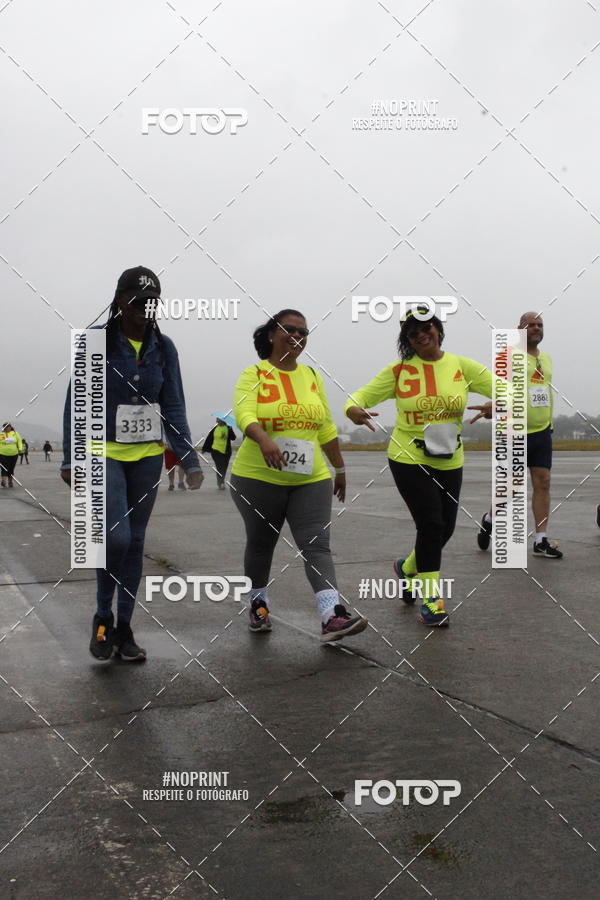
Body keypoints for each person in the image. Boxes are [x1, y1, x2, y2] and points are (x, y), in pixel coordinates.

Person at [61, 266, 203, 662]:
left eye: (152, 301)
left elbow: (173, 404)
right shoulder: (95, 343)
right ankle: (102, 616)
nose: (145, 307)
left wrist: (189, 459)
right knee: (117, 538)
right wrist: (72, 457)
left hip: (146, 456)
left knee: (136, 543)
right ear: (120, 300)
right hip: (101, 452)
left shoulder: (164, 347)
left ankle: (124, 628)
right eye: (138, 300)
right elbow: (77, 402)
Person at [346, 307, 497, 628]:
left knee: (446, 528)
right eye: (412, 333)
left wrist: (496, 405)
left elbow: (507, 390)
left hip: (450, 458)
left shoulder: (461, 366)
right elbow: (359, 396)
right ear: (408, 340)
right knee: (430, 524)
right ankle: (431, 599)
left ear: (438, 329)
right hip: (408, 458)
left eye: (426, 327)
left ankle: (407, 567)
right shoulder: (399, 371)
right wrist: (353, 410)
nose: (421, 335)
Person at [230, 309, 368, 642]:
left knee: (317, 545)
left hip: (310, 477)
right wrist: (263, 439)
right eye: (290, 329)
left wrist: (339, 468)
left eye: (304, 332)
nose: (298, 336)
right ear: (271, 334)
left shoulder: (311, 376)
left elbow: (325, 425)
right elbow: (243, 411)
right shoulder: (254, 374)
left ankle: (331, 615)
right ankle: (258, 605)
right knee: (262, 546)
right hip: (257, 478)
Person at [476, 311, 562, 559]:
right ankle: (490, 519)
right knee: (511, 487)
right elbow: (499, 388)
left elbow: (545, 393)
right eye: (531, 325)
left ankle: (540, 540)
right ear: (519, 329)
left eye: (540, 325)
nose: (536, 328)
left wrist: (549, 425)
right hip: (515, 431)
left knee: (543, 482)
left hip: (542, 432)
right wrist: (495, 407)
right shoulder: (508, 355)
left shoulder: (546, 359)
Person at [202, 418, 236, 489]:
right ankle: (221, 483)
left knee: (224, 467)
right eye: (217, 420)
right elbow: (209, 439)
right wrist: (204, 449)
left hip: (226, 451)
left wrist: (229, 431)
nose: (217, 422)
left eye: (219, 420)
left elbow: (233, 438)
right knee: (219, 467)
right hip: (216, 451)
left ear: (223, 421)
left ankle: (221, 481)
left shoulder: (228, 428)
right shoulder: (214, 428)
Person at [0, 423, 23, 488]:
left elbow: (19, 442)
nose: (7, 428)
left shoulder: (15, 433)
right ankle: (4, 481)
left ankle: (10, 481)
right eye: (5, 427)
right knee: (4, 467)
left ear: (11, 427)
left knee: (11, 468)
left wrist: (20, 449)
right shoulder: (1, 434)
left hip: (14, 454)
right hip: (2, 454)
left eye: (8, 427)